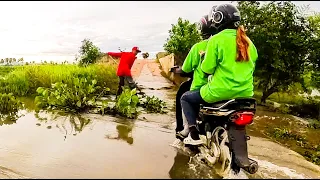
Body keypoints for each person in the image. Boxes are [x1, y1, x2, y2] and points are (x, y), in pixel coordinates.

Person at [180, 4, 258, 145]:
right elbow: (252, 68)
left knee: (185, 98)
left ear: (217, 19)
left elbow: (207, 69)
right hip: (246, 94)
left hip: (219, 91)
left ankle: (193, 135)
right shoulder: (249, 42)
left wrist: (204, 60)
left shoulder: (216, 40)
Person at [175, 14, 217, 140]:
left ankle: (187, 128)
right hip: (234, 90)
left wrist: (178, 69)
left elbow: (186, 69)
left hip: (205, 87)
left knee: (183, 97)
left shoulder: (199, 47)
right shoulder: (238, 44)